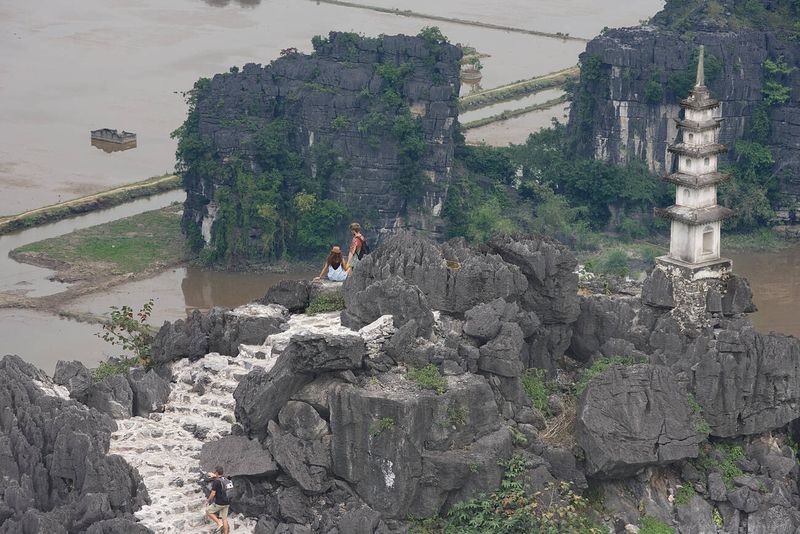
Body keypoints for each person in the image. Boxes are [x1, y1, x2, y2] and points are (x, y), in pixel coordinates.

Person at [205, 466, 232, 534]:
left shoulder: (216, 482)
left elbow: (213, 494)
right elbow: (220, 478)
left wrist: (208, 500)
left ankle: (219, 523)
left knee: (208, 511)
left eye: (215, 472)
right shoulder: (226, 479)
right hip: (227, 502)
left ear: (216, 473)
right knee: (224, 518)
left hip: (219, 503)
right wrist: (214, 475)